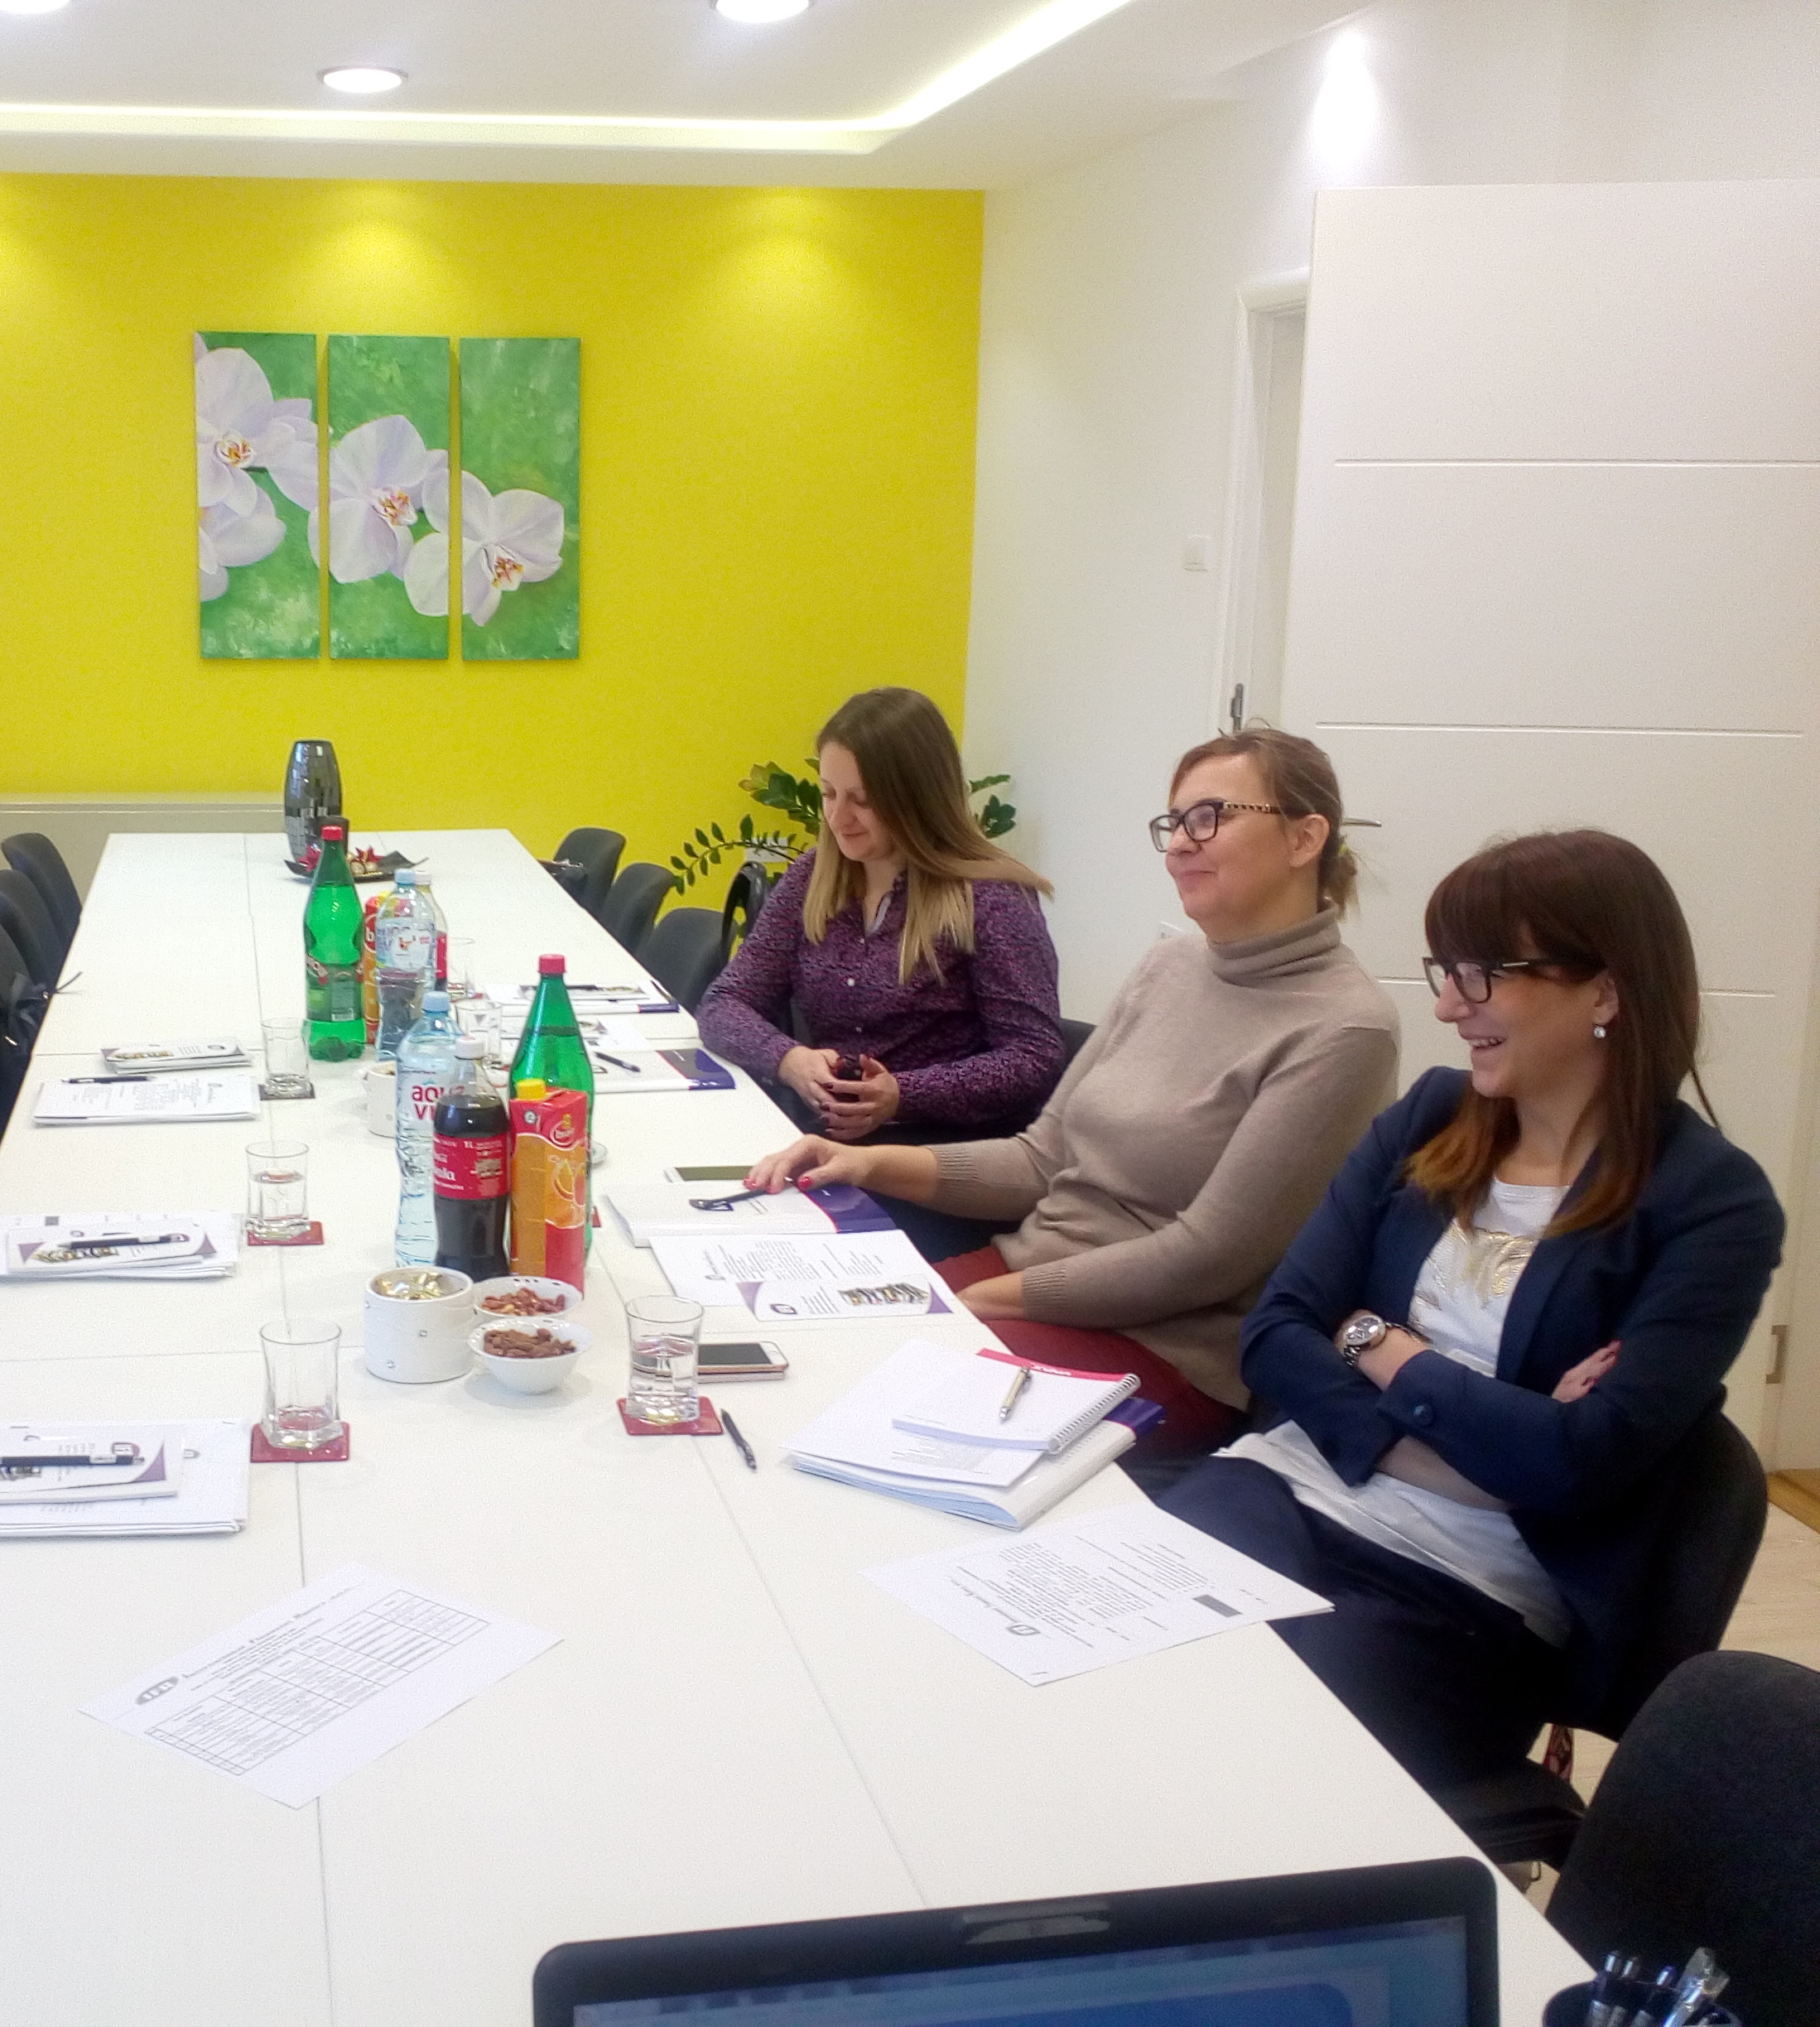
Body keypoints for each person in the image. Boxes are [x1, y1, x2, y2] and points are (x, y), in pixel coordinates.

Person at [1158, 831, 1783, 1792]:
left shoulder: (1711, 1205)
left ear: (1605, 992)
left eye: (1483, 974)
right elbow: (1276, 1333)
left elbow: (1575, 1466)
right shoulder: (1433, 1118)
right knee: (1100, 1662)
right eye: (1445, 972)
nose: (1449, 1006)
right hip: (1279, 1489)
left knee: (1255, 1761)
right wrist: (1477, 1446)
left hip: (1463, 1594)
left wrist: (1378, 1347)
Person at [747, 729, 1398, 1455]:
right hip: (1028, 1275)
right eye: (1175, 821)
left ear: (1305, 838)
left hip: (1165, 1345)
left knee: (868, 1411)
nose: (1181, 843)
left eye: (1211, 817)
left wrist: (983, 1300)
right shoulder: (1170, 965)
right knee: (806, 1353)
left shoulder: (1345, 1027)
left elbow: (1206, 1258)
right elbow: (1042, 1157)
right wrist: (866, 1163)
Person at [699, 687, 1062, 1145]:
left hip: (940, 1154)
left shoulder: (992, 898)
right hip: (834, 1143)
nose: (838, 817)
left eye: (863, 800)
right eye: (829, 793)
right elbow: (724, 1003)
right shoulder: (814, 876)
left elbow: (1034, 1058)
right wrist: (789, 1060)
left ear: (918, 799)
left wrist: (902, 1095)